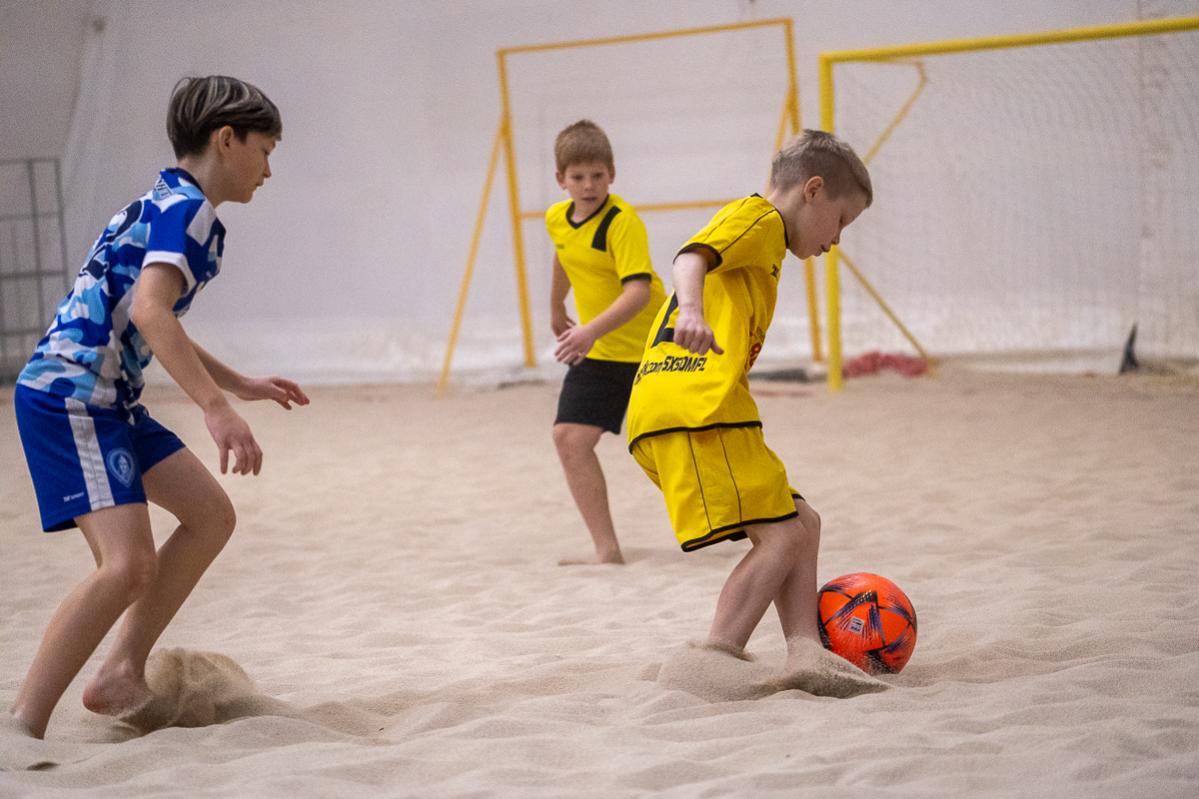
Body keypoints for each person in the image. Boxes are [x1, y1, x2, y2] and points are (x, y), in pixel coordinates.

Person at [8, 75, 308, 739]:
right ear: (226, 139)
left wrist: (238, 383)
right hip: (72, 398)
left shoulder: (164, 201)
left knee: (210, 516)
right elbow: (151, 311)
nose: (268, 169)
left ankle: (120, 670)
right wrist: (215, 408)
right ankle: (22, 723)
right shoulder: (187, 212)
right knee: (127, 566)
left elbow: (151, 319)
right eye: (265, 150)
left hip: (108, 400)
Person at [626, 130, 872, 673]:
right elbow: (689, 258)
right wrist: (691, 312)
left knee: (803, 522)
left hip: (703, 409)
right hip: (695, 408)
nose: (837, 239)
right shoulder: (758, 219)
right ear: (812, 191)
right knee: (780, 537)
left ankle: (806, 653)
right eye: (841, 220)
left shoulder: (766, 240)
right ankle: (714, 660)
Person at [545, 120, 666, 565]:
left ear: (612, 173)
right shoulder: (557, 218)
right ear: (561, 179)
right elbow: (564, 254)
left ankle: (753, 530)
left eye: (597, 175)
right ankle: (607, 551)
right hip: (600, 351)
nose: (588, 185)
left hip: (654, 348)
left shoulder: (622, 222)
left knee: (679, 446)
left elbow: (637, 292)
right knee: (569, 438)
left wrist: (588, 330)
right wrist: (556, 305)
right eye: (577, 176)